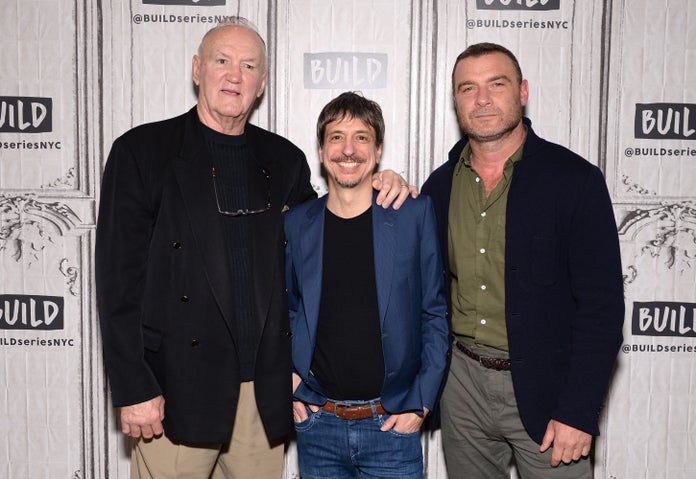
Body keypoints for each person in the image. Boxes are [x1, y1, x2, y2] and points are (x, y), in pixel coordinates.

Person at [95, 18, 415, 479]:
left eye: (248, 66)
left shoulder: (283, 159)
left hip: (261, 396)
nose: (234, 75)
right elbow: (117, 284)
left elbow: (324, 243)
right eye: (222, 61)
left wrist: (378, 182)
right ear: (196, 70)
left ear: (261, 83)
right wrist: (132, 386)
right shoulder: (142, 152)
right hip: (175, 388)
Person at [421, 43, 625, 478]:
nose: (482, 99)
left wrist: (579, 410)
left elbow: (602, 308)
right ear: (455, 100)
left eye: (497, 84)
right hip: (462, 387)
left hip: (549, 390)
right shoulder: (439, 187)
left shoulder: (574, 180)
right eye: (467, 88)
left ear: (523, 91)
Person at [284, 92, 450, 479]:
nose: (348, 149)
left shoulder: (412, 214)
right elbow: (285, 309)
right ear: (322, 152)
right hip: (318, 425)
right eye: (336, 137)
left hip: (392, 425)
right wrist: (287, 379)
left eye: (361, 137)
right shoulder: (297, 224)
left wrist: (421, 403)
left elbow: (435, 312)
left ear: (377, 151)